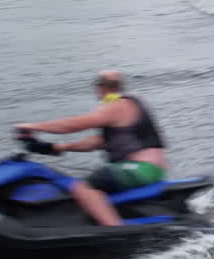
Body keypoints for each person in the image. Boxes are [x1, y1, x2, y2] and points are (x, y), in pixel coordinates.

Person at [14, 70, 168, 226]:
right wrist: (60, 147)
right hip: (148, 169)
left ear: (100, 88)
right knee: (99, 179)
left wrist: (33, 126)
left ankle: (116, 231)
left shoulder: (117, 106)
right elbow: (96, 142)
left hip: (139, 169)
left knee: (83, 188)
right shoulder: (127, 107)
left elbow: (75, 124)